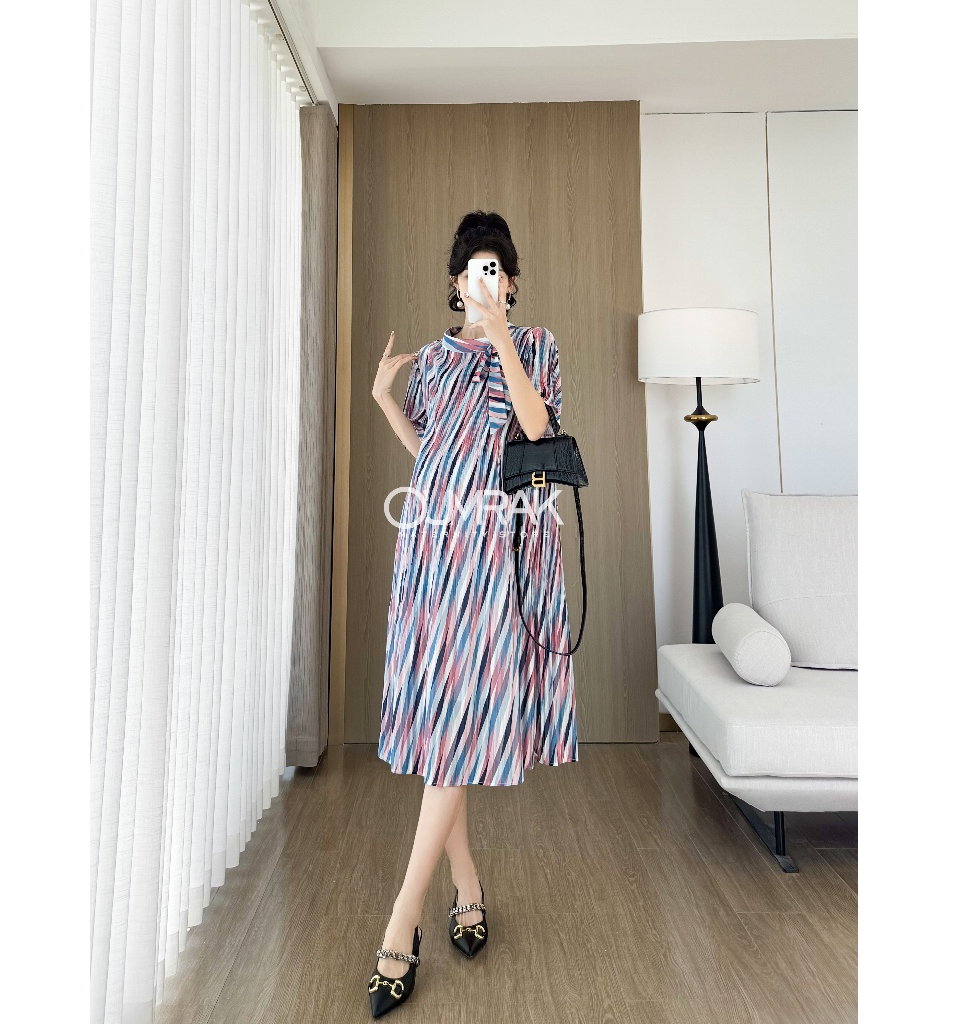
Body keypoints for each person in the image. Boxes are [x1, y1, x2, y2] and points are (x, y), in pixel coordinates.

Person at [366, 211, 579, 1018]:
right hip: (432, 547)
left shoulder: (537, 347)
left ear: (510, 284)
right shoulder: (430, 363)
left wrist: (500, 341)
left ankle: (402, 921)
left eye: (496, 269)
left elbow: (537, 428)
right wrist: (385, 400)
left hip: (499, 550)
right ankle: (466, 885)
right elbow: (431, 452)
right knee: (444, 724)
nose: (483, 280)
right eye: (471, 270)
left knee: (458, 722)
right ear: (455, 283)